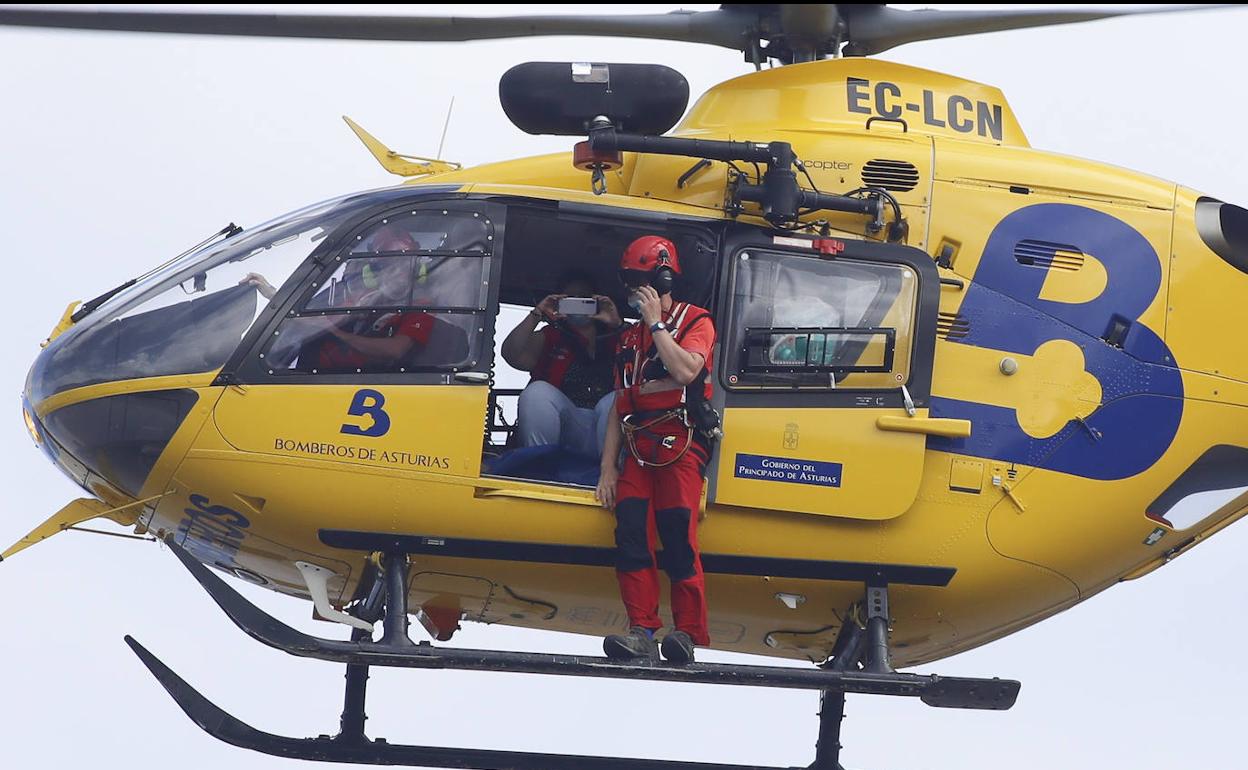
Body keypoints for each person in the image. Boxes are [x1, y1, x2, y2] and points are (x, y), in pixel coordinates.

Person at [595, 235, 717, 665]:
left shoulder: (696, 321)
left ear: (662, 278)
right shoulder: (629, 338)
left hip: (680, 445)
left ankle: (686, 632)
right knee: (630, 533)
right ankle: (641, 629)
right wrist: (608, 468)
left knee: (678, 534)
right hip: (638, 447)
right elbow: (619, 403)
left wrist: (657, 325)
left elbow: (687, 370)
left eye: (637, 280)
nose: (631, 289)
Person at [501, 271, 623, 460]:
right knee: (537, 392)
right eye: (571, 298)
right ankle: (539, 466)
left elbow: (647, 359)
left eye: (584, 298)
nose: (578, 303)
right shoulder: (551, 336)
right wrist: (537, 314)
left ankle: (610, 471)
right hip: (566, 426)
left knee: (616, 400)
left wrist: (617, 325)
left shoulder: (620, 337)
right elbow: (511, 354)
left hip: (609, 433)